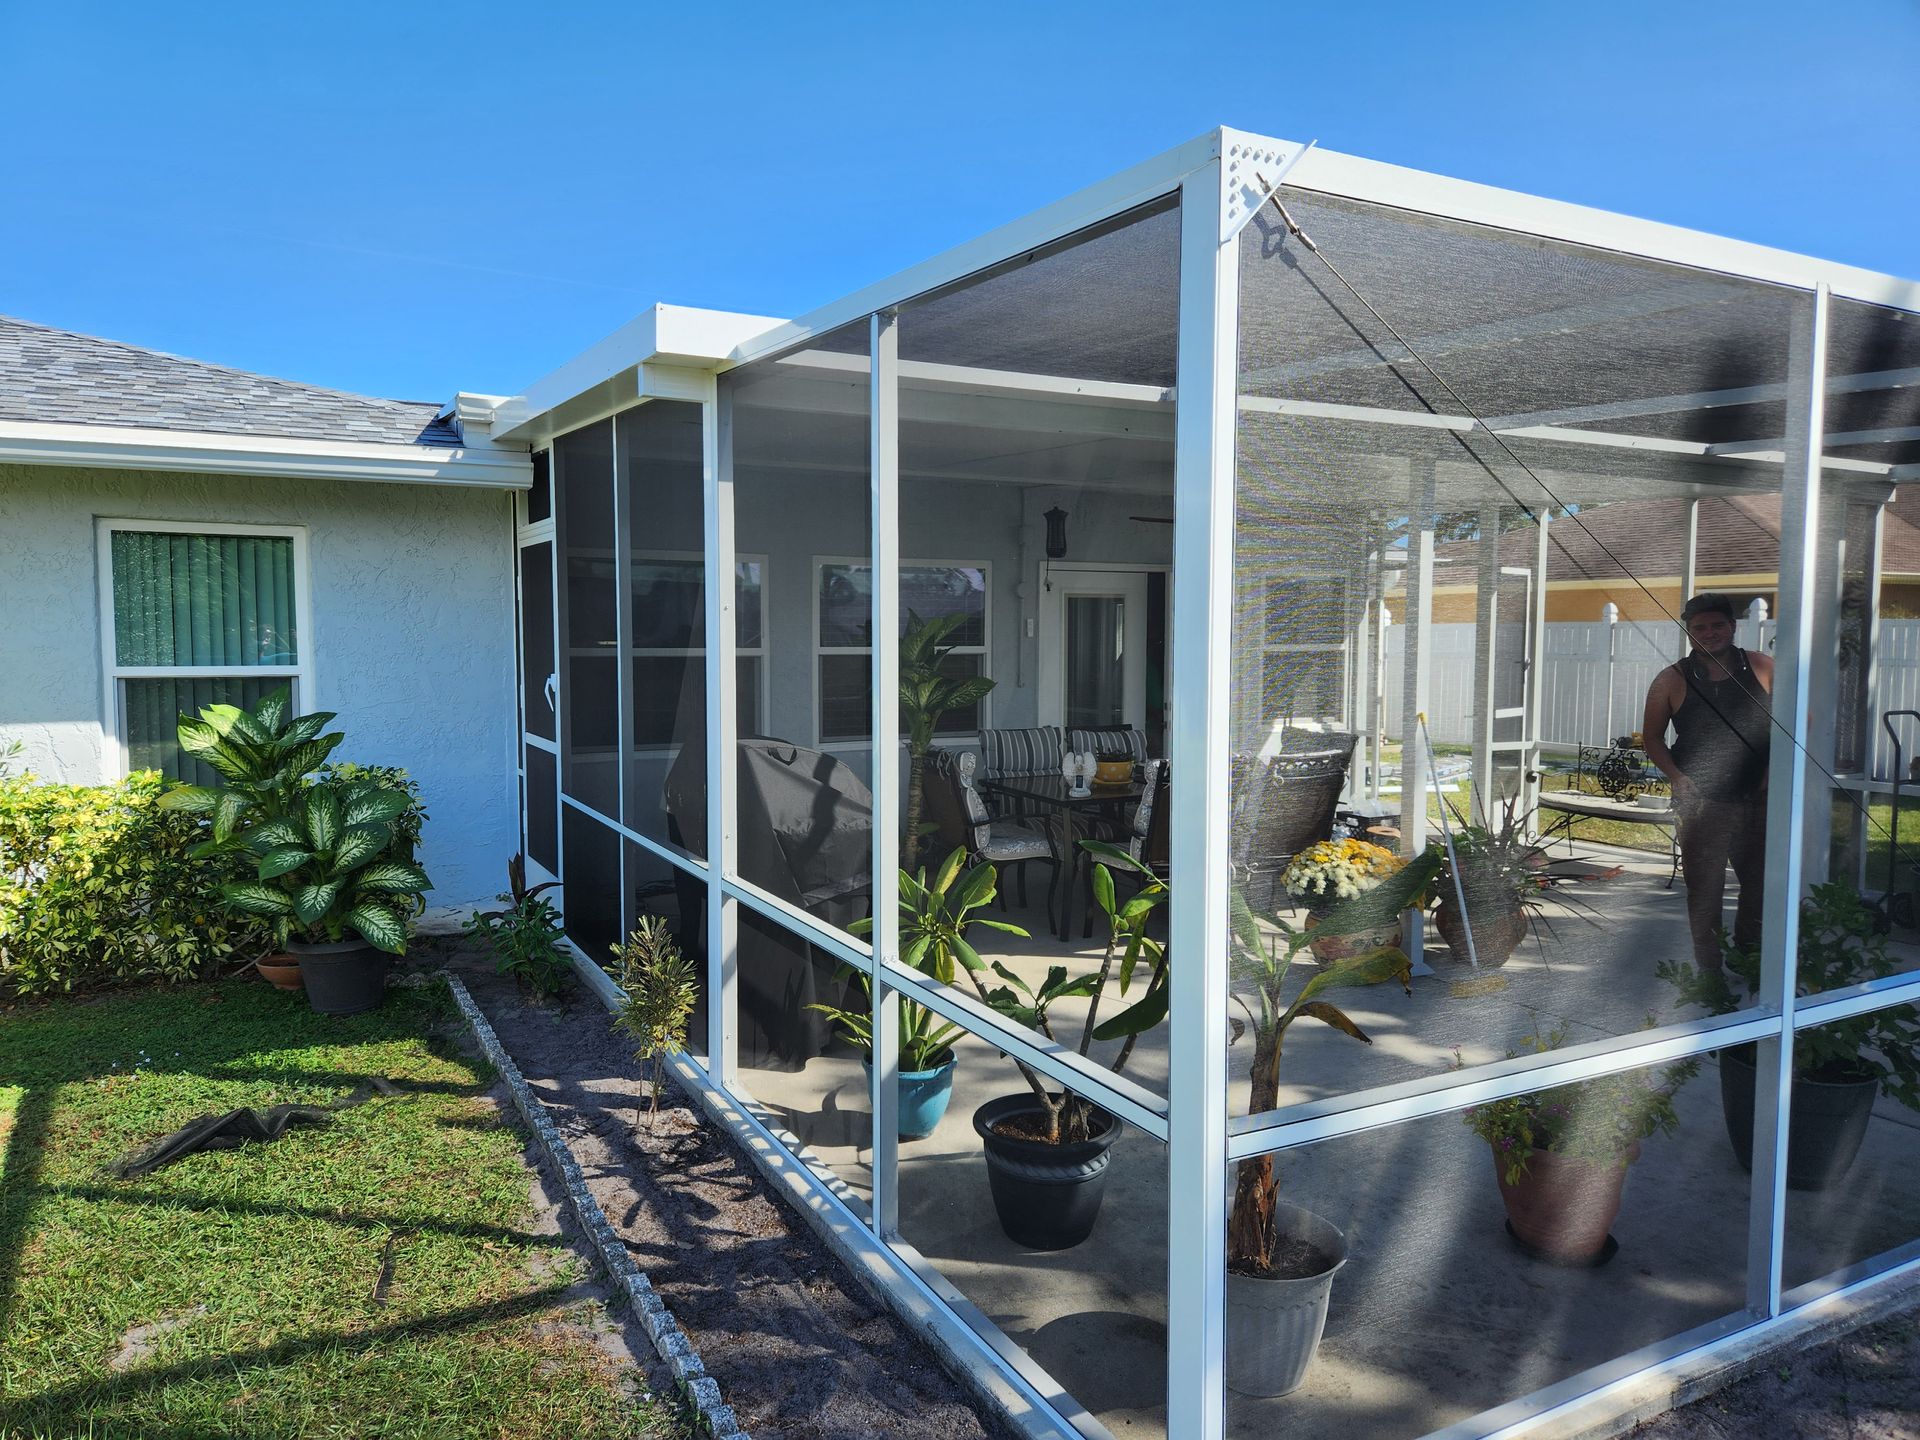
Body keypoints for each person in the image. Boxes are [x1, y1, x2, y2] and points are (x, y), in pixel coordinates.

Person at [1642, 594, 1774, 971]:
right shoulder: (1671, 678)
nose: (1709, 633)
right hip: (1701, 803)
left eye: (1717, 625)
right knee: (1704, 893)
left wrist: (1772, 772)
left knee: (1762, 887)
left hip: (1760, 799)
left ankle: (1749, 959)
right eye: (1699, 628)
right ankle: (1710, 972)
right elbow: (1652, 737)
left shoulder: (1763, 667)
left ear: (1732, 627)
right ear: (1689, 632)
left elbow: (1799, 721)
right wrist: (1677, 777)